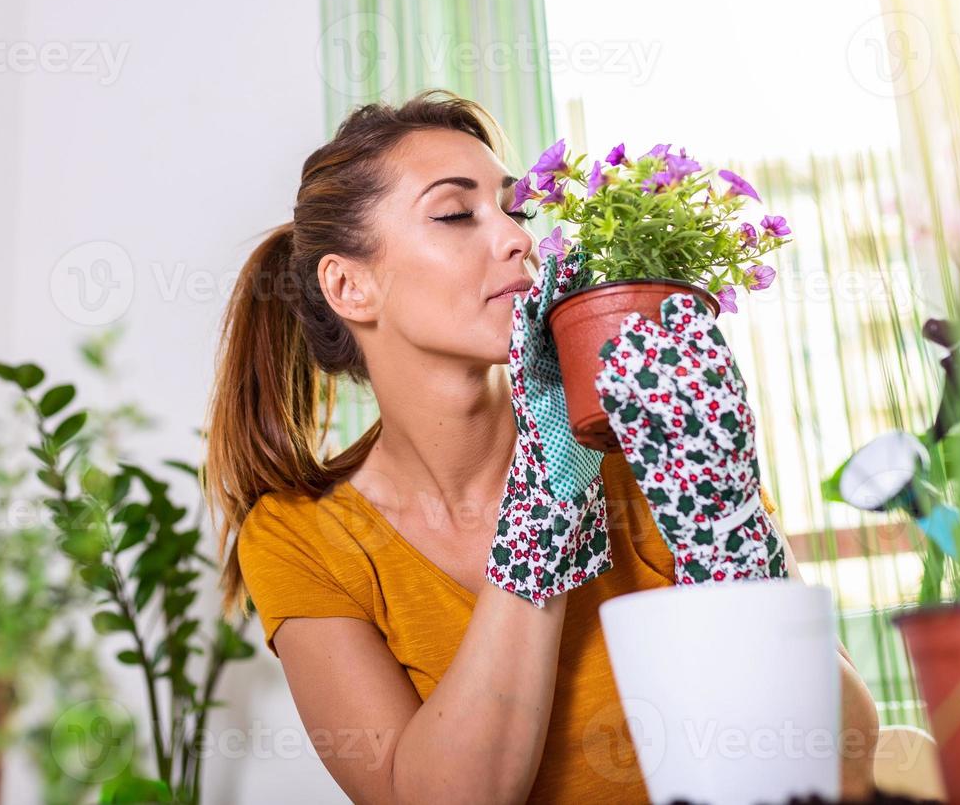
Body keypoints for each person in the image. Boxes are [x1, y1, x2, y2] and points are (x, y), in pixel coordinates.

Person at [204, 89, 879, 804]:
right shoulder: (301, 538)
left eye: (514, 208)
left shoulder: (649, 455)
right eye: (456, 214)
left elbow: (845, 766)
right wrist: (541, 525)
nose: (519, 238)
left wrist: (728, 533)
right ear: (350, 284)